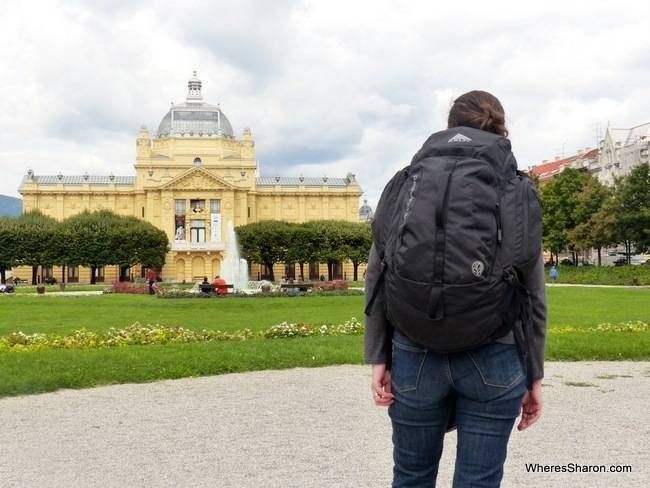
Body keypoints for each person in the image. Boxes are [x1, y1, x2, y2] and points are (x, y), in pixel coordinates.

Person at [364, 90, 546, 487]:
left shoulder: (406, 182)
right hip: (495, 353)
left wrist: (379, 356)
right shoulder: (516, 187)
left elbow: (377, 275)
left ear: (449, 127)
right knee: (479, 480)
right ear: (502, 128)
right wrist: (534, 375)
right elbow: (532, 292)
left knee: (411, 476)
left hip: (414, 351)